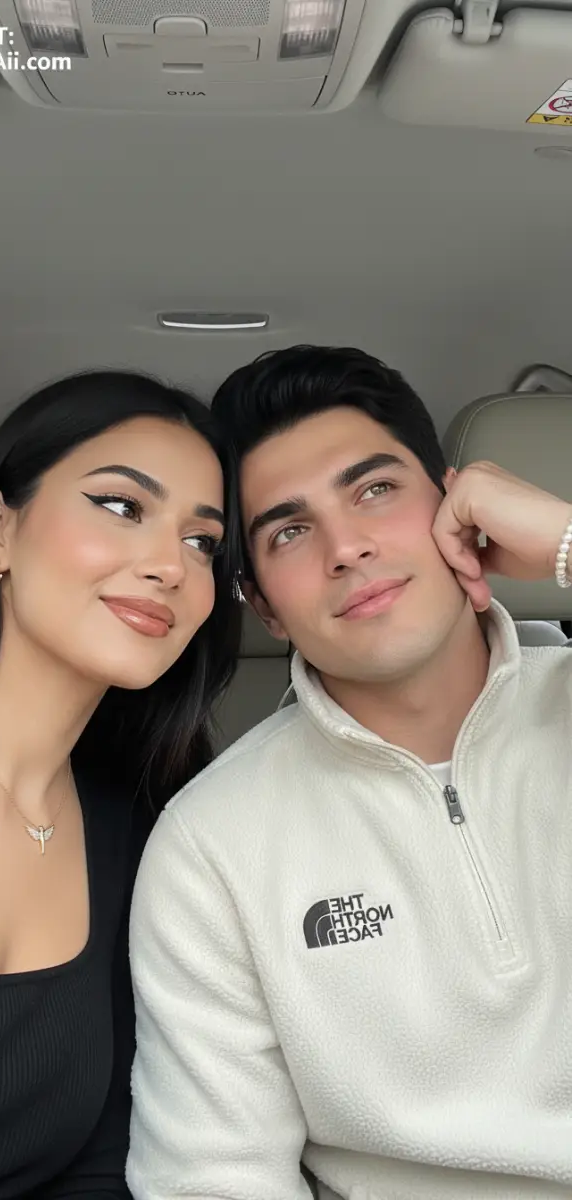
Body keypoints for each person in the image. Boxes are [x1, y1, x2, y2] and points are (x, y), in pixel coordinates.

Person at [126, 346, 572, 1200]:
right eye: (290, 531)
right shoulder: (210, 845)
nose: (347, 547)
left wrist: (565, 543)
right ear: (263, 606)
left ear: (461, 508)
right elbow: (212, 1180)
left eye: (376, 490)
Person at [0, 369, 242, 1200]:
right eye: (122, 506)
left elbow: (108, 1157)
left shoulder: (152, 824)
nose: (170, 566)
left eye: (203, 542)